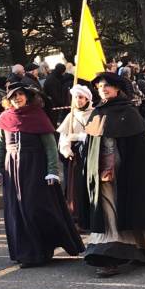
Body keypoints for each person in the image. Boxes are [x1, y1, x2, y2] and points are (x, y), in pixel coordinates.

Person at [82, 72, 145, 277]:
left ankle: (137, 249)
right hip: (102, 177)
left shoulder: (128, 113)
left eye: (107, 85)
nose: (103, 88)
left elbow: (137, 152)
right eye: (100, 86)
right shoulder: (97, 112)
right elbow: (91, 147)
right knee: (108, 213)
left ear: (117, 88)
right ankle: (109, 255)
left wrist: (116, 165)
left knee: (130, 209)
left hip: (126, 174)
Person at [0, 83, 84, 267]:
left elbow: (50, 146)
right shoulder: (4, 118)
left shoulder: (37, 116)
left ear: (27, 96)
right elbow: (0, 145)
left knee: (34, 209)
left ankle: (42, 249)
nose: (17, 98)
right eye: (13, 96)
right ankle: (26, 253)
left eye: (20, 95)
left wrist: (52, 171)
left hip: (35, 167)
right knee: (16, 211)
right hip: (12, 170)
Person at [57, 85, 94, 226]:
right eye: (76, 97)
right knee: (75, 188)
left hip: (90, 154)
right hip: (76, 157)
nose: (78, 100)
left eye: (81, 97)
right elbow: (63, 138)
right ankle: (77, 217)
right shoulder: (70, 116)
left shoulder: (94, 113)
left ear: (87, 99)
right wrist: (67, 150)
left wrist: (80, 136)